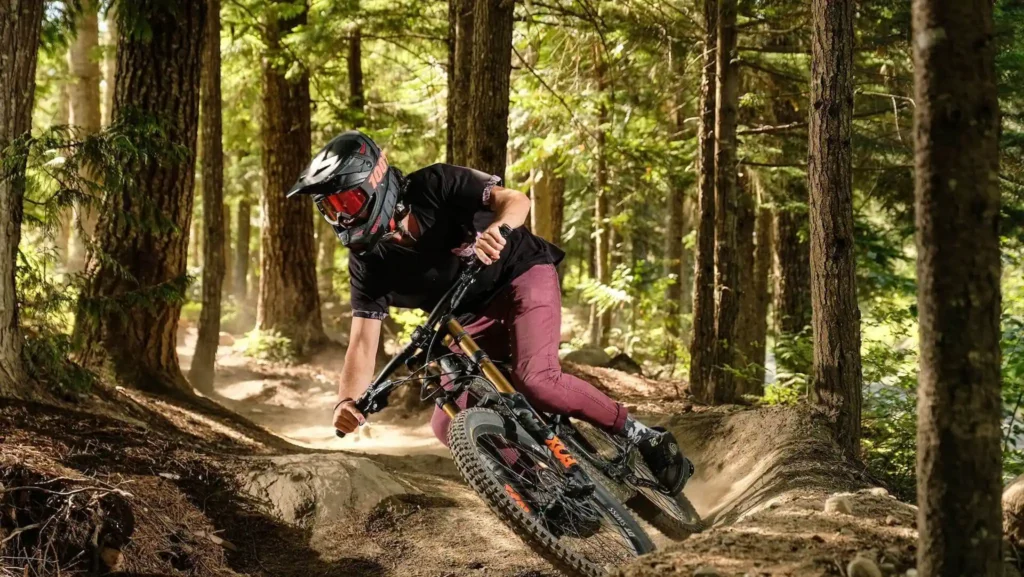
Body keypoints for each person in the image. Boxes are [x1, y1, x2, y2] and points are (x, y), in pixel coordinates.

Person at [287, 130, 693, 495]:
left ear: (375, 183)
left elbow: (515, 200)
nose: (342, 216)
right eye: (331, 209)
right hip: (468, 319)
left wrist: (499, 229)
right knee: (448, 424)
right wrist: (346, 402)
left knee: (537, 381)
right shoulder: (367, 262)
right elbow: (362, 343)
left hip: (520, 274)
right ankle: (544, 490)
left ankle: (643, 436)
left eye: (347, 201)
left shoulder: (435, 183)